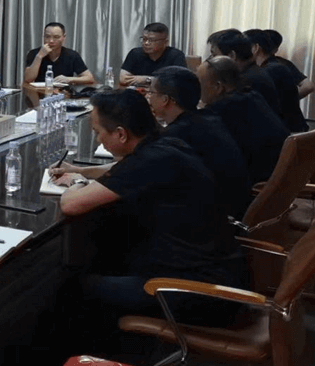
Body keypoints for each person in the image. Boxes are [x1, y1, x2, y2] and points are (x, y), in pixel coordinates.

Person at [52, 89, 244, 323]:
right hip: (217, 269)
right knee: (108, 256)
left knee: (72, 287)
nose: (98, 139)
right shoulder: (165, 145)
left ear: (121, 134)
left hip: (194, 289)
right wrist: (81, 170)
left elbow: (71, 205)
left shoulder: (147, 162)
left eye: (97, 132)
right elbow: (122, 170)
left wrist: (77, 182)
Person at [148, 66, 251, 218]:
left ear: (165, 99)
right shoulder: (209, 118)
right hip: (236, 206)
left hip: (214, 218)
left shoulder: (176, 136)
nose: (148, 97)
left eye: (151, 92)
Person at [197, 56, 289, 184]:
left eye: (200, 82)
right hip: (279, 177)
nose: (197, 87)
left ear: (218, 87)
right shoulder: (253, 96)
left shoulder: (220, 111)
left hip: (256, 183)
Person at [207, 29, 281, 118]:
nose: (210, 60)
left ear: (231, 56)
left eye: (214, 55)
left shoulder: (246, 81)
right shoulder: (252, 72)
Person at [245, 29, 308, 132]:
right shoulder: (279, 64)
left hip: (286, 132)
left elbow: (309, 86)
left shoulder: (271, 70)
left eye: (243, 48)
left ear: (256, 48)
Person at [23, 22, 95, 85]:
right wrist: (39, 56)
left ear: (64, 38)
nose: (51, 41)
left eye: (56, 37)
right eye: (47, 37)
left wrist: (69, 79)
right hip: (40, 92)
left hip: (64, 93)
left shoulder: (72, 55)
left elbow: (89, 78)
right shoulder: (34, 53)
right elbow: (28, 79)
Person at [119, 22, 187, 87]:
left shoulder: (176, 55)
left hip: (163, 94)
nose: (146, 43)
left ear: (165, 42)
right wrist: (158, 81)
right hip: (138, 92)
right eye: (144, 39)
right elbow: (123, 79)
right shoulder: (135, 53)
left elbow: (178, 82)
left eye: (151, 40)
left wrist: (146, 79)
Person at [264, 28, 315, 99]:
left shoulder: (281, 64)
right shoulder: (283, 63)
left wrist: (287, 101)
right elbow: (308, 86)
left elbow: (308, 86)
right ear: (276, 49)